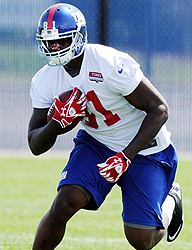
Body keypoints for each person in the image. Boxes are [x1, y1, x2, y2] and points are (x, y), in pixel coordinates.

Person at [28, 3, 183, 250]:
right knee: (64, 203)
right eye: (49, 42)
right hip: (98, 143)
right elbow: (35, 144)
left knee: (141, 239)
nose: (54, 48)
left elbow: (159, 109)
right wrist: (55, 125)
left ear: (78, 38)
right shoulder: (44, 79)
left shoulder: (109, 63)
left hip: (144, 148)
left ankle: (170, 202)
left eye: (61, 40)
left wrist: (125, 156)